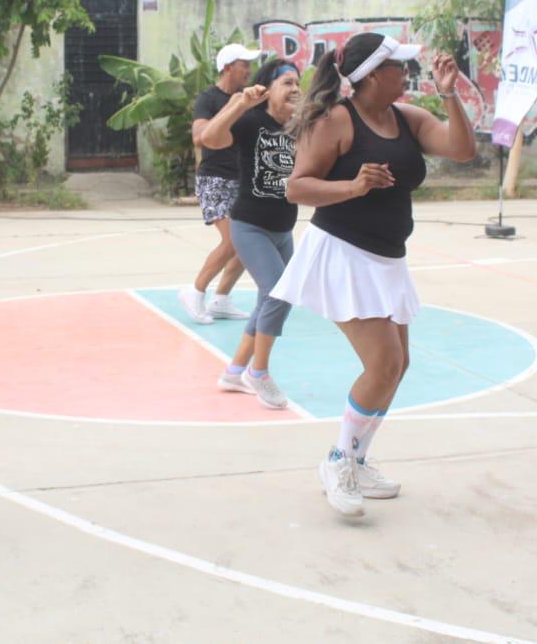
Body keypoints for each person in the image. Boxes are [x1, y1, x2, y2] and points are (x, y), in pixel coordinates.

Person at [272, 33, 475, 517]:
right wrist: (354, 185)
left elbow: (462, 149)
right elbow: (297, 188)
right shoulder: (336, 120)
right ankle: (338, 461)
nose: (405, 73)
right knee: (383, 364)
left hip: (387, 259)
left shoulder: (408, 118)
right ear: (370, 76)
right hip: (343, 255)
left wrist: (450, 93)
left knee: (397, 366)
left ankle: (357, 459)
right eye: (397, 66)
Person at [198, 57, 302, 409]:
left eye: (297, 83)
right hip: (250, 225)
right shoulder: (251, 121)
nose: (295, 88)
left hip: (283, 228)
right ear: (267, 89)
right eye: (287, 82)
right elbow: (209, 138)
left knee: (268, 301)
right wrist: (240, 103)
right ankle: (259, 372)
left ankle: (234, 372)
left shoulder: (299, 126)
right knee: (277, 294)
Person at [179, 43, 260, 324]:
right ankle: (195, 291)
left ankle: (221, 299)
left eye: (250, 64)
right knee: (233, 240)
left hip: (242, 178)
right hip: (214, 178)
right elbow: (198, 137)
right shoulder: (209, 99)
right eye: (244, 64)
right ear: (227, 68)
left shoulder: (249, 98)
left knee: (246, 241)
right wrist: (234, 106)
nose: (249, 70)